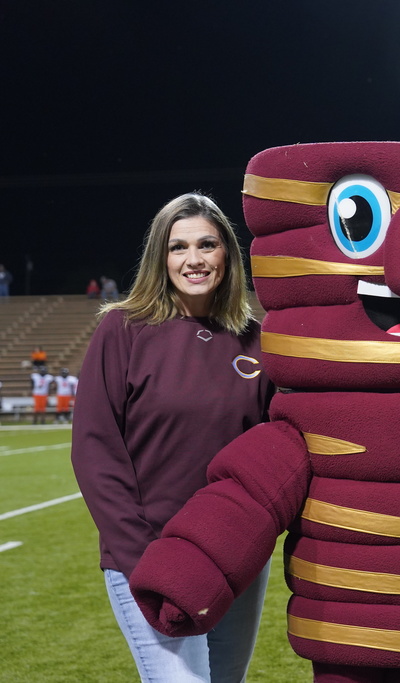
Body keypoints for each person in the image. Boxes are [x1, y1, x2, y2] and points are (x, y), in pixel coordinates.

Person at [71, 193, 276, 682]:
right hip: (149, 553)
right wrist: (146, 559)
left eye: (207, 244)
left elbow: (275, 450)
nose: (194, 259)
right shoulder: (123, 329)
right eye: (178, 247)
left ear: (227, 253)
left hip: (235, 559)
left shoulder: (257, 340)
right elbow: (95, 450)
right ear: (160, 258)